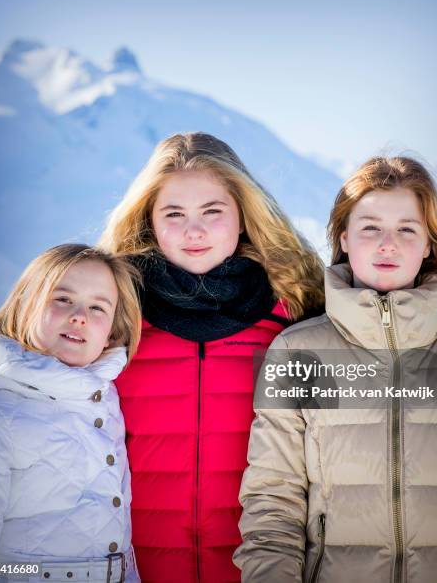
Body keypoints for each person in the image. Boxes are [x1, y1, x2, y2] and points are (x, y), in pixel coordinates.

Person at [234, 156, 437, 583]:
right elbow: (273, 504)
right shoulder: (295, 352)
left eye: (406, 229)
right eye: (370, 227)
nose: (387, 243)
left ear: (429, 243)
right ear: (344, 238)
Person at [98, 132, 326, 583]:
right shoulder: (114, 317)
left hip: (263, 568)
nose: (194, 230)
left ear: (243, 216)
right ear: (150, 222)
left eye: (212, 212)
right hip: (137, 568)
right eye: (174, 214)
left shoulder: (296, 316)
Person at [0, 244, 143, 582]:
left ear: (111, 332)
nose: (79, 315)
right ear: (24, 304)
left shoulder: (105, 397)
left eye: (98, 307)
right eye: (62, 299)